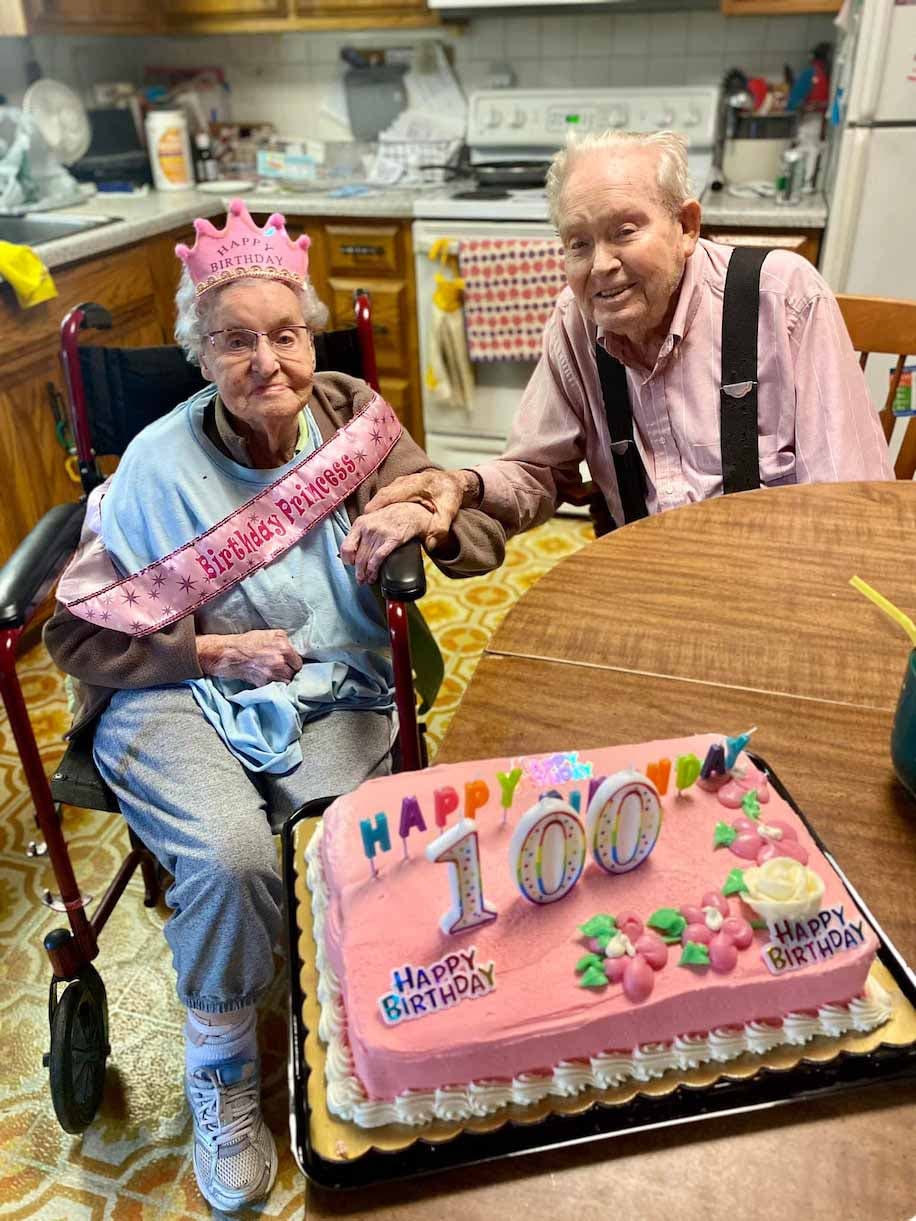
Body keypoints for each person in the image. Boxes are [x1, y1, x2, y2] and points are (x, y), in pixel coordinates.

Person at [43, 200, 504, 1213]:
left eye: (285, 334)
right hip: (171, 693)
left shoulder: (349, 420)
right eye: (234, 339)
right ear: (196, 354)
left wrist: (428, 505)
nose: (267, 362)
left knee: (348, 842)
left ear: (312, 337)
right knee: (231, 854)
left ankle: (350, 1025)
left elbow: (455, 530)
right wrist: (205, 647)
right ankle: (221, 1076)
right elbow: (75, 636)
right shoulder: (153, 469)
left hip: (327, 680)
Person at [362, 130, 893, 549]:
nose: (602, 266)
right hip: (641, 574)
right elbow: (537, 471)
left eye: (625, 230)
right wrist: (462, 484)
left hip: (776, 576)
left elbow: (849, 503)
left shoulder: (782, 294)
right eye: (579, 243)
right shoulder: (575, 322)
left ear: (685, 226)